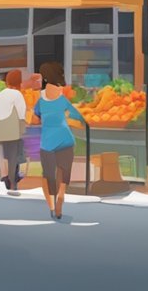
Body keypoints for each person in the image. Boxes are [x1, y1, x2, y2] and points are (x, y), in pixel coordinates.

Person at [32, 61, 86, 220]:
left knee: (47, 175)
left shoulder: (40, 100)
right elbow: (77, 115)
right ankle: (61, 194)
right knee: (64, 172)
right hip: (66, 138)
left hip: (48, 142)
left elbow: (35, 120)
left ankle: (51, 205)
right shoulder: (63, 98)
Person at [0, 69, 28, 195]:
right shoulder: (17, 94)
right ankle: (13, 184)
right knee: (14, 157)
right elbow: (21, 113)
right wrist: (23, 129)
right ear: (20, 82)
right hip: (13, 129)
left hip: (1, 129)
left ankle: (6, 179)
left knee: (4, 157)